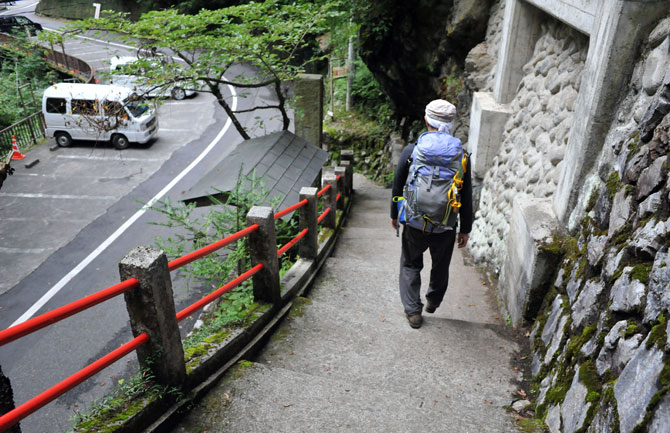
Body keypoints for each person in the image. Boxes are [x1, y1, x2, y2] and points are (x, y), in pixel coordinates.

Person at [390, 99, 473, 329]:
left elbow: (398, 186)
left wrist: (395, 215)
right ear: (451, 124)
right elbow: (465, 196)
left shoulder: (412, 150)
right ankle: (433, 301)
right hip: (445, 224)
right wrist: (465, 228)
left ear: (426, 120)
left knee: (410, 264)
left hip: (415, 220)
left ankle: (413, 312)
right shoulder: (461, 156)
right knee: (440, 266)